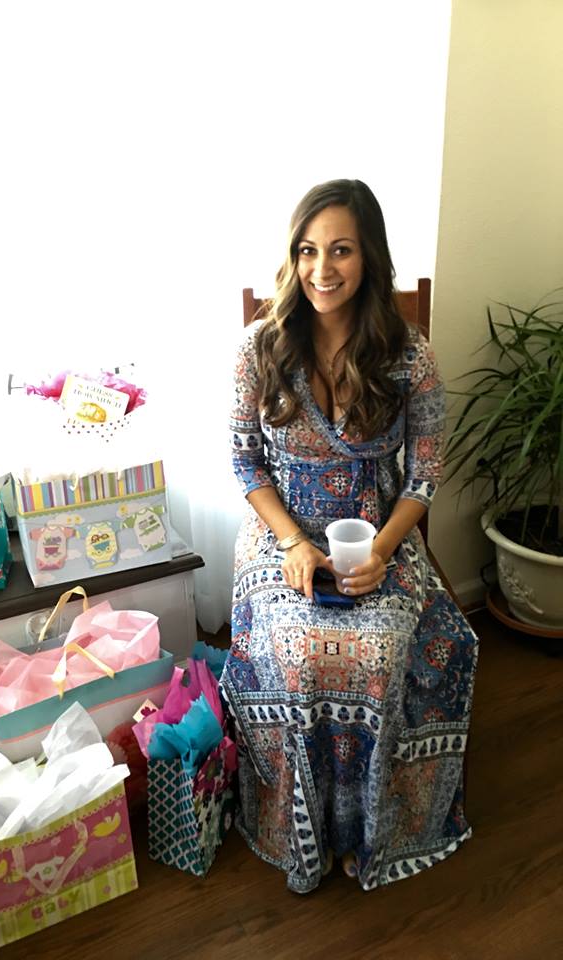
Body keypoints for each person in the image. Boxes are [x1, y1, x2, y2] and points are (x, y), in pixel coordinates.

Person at [220, 179, 478, 893]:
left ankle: (371, 826)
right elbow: (244, 462)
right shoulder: (259, 349)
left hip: (378, 531)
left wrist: (386, 549)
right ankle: (305, 831)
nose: (321, 269)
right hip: (280, 531)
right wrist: (292, 544)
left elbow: (424, 475)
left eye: (341, 250)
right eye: (307, 251)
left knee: (386, 647)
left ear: (369, 257)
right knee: (295, 649)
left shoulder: (408, 354)